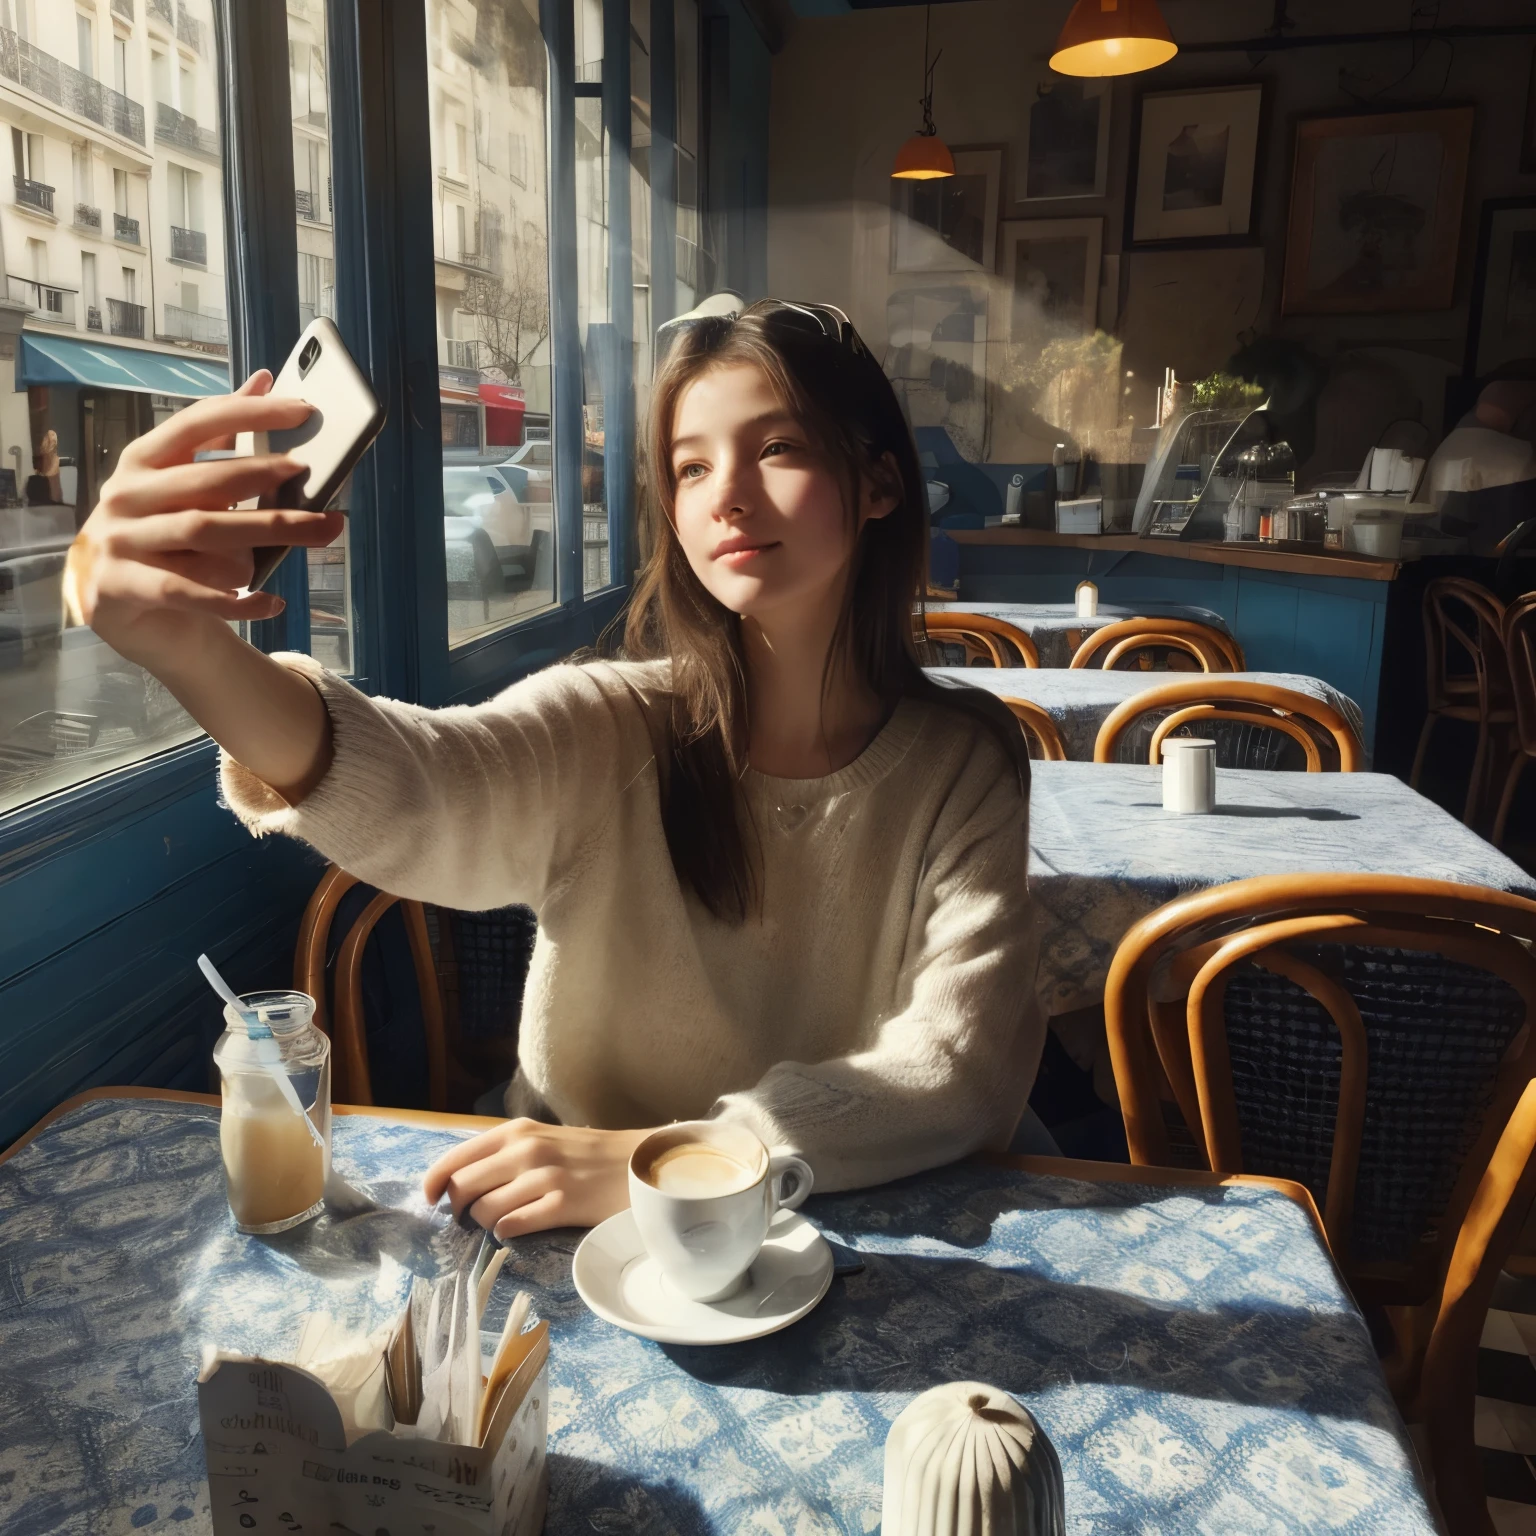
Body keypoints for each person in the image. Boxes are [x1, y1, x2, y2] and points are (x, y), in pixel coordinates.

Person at [64, 297, 1045, 1240]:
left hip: (838, 1230)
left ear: (879, 484)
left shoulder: (960, 765)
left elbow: (955, 1071)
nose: (729, 494)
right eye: (690, 467)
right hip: (562, 1233)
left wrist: (661, 1161)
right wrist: (195, 654)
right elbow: (422, 787)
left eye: (777, 448)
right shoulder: (613, 722)